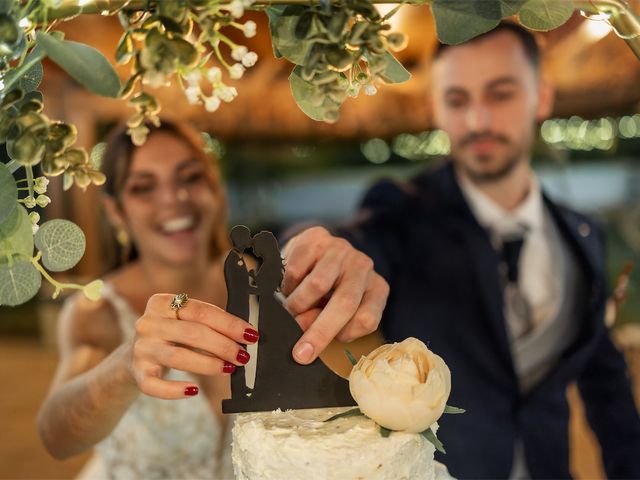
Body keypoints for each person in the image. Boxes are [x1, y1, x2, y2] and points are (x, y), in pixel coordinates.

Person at [281, 23, 640, 479]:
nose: (478, 121)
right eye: (457, 99)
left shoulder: (582, 232)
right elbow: (353, 242)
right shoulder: (401, 211)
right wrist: (309, 248)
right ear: (437, 109)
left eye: (501, 93)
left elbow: (605, 383)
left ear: (541, 98)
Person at [37, 119, 384, 479]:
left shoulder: (270, 284)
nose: (174, 199)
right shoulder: (98, 310)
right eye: (144, 187)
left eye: (189, 177)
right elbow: (55, 437)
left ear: (215, 187)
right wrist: (126, 364)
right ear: (116, 212)